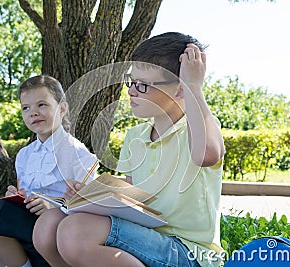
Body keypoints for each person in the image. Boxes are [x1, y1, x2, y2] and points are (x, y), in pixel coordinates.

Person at [33, 32, 226, 267]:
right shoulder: (136, 136)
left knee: (76, 232)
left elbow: (206, 155)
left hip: (189, 252)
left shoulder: (200, 127)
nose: (131, 91)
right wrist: (90, 196)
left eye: (143, 85)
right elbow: (133, 199)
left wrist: (194, 87)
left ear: (180, 89)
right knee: (49, 223)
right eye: (131, 82)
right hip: (146, 236)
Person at [0, 75, 98, 267]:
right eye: (26, 108)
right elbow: (25, 191)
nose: (33, 113)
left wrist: (53, 207)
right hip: (25, 219)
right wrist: (14, 196)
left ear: (62, 109)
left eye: (42, 105)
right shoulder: (24, 155)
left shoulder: (77, 153)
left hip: (51, 228)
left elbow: (91, 206)